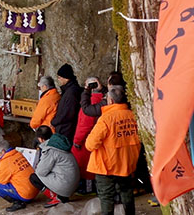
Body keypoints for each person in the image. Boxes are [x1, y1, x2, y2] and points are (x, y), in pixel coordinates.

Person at [85, 87, 140, 215]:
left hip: (106, 165)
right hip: (127, 163)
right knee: (127, 193)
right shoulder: (133, 116)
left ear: (110, 100)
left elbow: (90, 144)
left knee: (106, 197)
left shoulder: (106, 118)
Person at [30, 126, 80, 208]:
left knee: (34, 177)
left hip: (66, 185)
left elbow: (40, 172)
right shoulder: (58, 144)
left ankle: (57, 198)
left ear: (41, 139)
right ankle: (61, 195)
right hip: (72, 182)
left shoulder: (50, 150)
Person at [72, 76, 104, 193]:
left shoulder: (91, 103)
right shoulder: (105, 100)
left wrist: (77, 141)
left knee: (86, 166)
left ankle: (88, 188)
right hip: (100, 140)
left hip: (87, 140)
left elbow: (84, 126)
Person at [0, 139, 39, 212]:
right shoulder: (18, 154)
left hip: (26, 194)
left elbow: (0, 181)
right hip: (35, 189)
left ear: (2, 151)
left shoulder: (6, 161)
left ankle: (18, 203)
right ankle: (26, 198)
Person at [51, 63, 81, 144]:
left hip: (66, 129)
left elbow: (68, 113)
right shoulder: (69, 90)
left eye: (60, 77)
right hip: (65, 128)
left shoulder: (71, 93)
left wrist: (54, 122)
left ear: (66, 78)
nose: (59, 79)